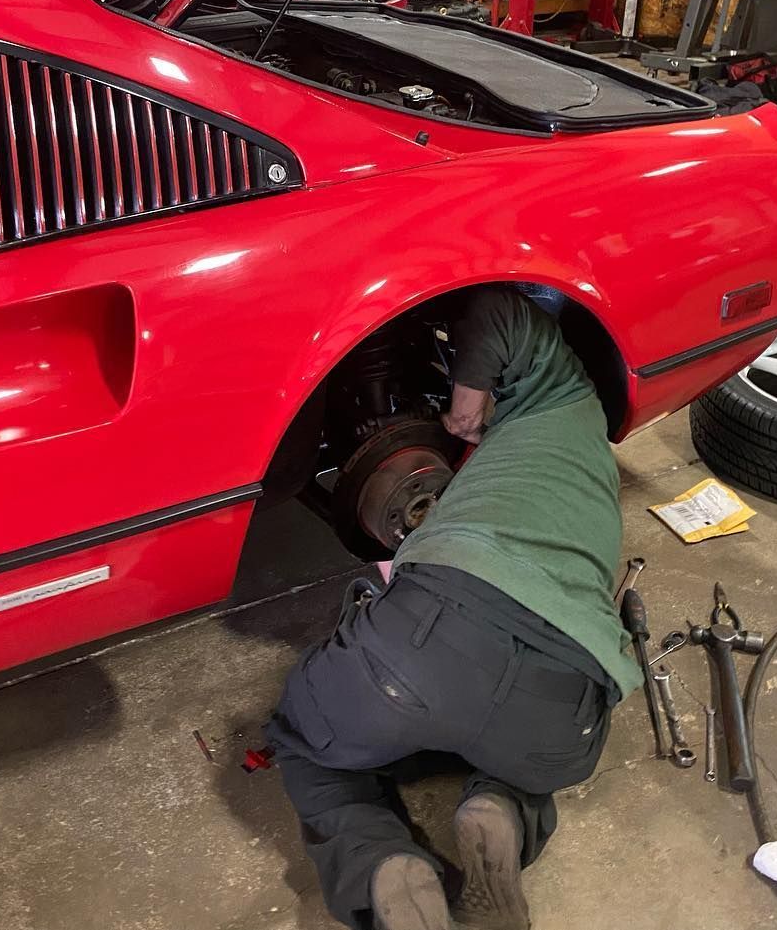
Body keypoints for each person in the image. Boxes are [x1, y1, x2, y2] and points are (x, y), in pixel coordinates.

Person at [265, 284, 641, 930]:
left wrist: (465, 408)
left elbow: (497, 308)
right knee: (519, 753)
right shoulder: (588, 469)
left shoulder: (564, 385)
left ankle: (383, 864)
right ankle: (500, 810)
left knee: (305, 739)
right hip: (564, 698)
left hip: (428, 640)